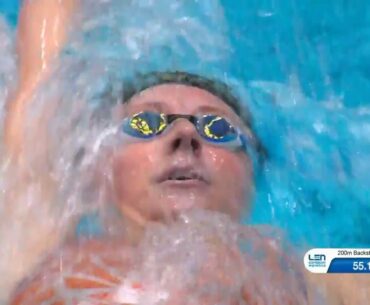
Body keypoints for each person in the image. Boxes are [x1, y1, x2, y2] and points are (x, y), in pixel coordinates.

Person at [3, 1, 370, 304]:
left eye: (218, 128)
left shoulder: (307, 264)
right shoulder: (30, 239)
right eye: (146, 123)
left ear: (253, 174)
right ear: (100, 161)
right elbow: (39, 83)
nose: (184, 134)